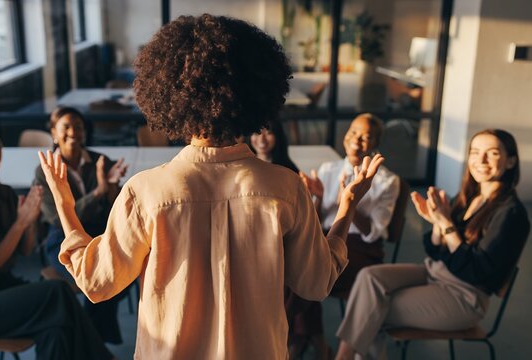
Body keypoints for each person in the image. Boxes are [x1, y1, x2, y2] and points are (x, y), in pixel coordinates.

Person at [38, 14, 384, 359]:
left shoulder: (146, 191)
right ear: (257, 94)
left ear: (169, 95)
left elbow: (96, 282)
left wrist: (66, 207)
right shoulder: (285, 187)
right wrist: (347, 206)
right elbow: (316, 282)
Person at [335, 129, 530, 360]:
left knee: (371, 308)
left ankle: (343, 357)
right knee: (370, 277)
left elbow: (478, 271)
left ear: (510, 161)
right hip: (435, 272)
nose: (481, 160)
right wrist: (437, 223)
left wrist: (446, 224)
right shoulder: (471, 197)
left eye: (493, 153)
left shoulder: (512, 213)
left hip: (464, 296)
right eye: (475, 152)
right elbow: (436, 251)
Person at [0, 124, 113, 360]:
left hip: (5, 287)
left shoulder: (5, 194)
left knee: (55, 329)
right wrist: (20, 223)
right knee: (57, 291)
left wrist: (31, 221)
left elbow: (25, 249)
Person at [34, 106, 129, 344]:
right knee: (103, 276)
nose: (73, 132)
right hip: (61, 239)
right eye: (66, 127)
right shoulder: (44, 170)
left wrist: (113, 188)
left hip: (98, 235)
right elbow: (57, 218)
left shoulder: (100, 161)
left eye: (78, 126)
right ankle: (93, 341)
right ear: (54, 132)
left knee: (120, 273)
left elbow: (114, 212)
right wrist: (98, 192)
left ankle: (87, 340)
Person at [250, 122, 329, 359]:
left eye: (269, 132)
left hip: (285, 244)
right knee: (304, 282)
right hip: (256, 247)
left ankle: (297, 342)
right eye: (256, 131)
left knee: (301, 275)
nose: (262, 139)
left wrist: (318, 199)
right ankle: (314, 343)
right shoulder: (243, 169)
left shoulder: (288, 171)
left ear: (278, 137)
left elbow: (306, 220)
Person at [301, 113, 400, 294]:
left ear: (376, 143)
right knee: (297, 265)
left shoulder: (387, 181)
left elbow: (373, 233)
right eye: (353, 132)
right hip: (323, 240)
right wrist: (319, 198)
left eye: (366, 137)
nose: (356, 139)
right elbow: (317, 221)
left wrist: (349, 205)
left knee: (306, 272)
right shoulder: (328, 169)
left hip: (359, 248)